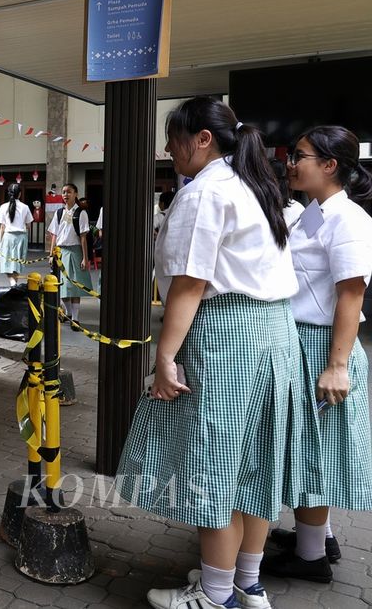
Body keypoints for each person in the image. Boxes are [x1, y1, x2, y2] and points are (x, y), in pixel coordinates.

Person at [116, 97, 299, 609]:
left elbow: (190, 284)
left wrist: (164, 356)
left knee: (214, 460)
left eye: (174, 136)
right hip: (275, 332)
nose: (168, 148)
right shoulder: (260, 187)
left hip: (227, 335)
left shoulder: (205, 193)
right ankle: (247, 584)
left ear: (203, 139)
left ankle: (215, 595)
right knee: (256, 462)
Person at [262, 126, 372, 583]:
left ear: (330, 166)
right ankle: (317, 537)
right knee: (309, 447)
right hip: (304, 342)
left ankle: (310, 560)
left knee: (314, 450)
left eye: (299, 156)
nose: (290, 163)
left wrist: (337, 366)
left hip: (324, 348)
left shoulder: (349, 219)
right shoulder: (314, 212)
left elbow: (352, 295)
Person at [46, 183, 92, 322]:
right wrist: (51, 254)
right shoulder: (59, 213)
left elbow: (83, 237)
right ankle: (68, 313)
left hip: (75, 251)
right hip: (61, 252)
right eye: (64, 192)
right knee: (64, 286)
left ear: (76, 194)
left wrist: (85, 258)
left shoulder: (81, 213)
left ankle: (75, 319)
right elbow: (54, 234)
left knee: (75, 285)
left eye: (69, 192)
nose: (66, 195)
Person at [0, 183, 32, 287]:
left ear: (9, 194)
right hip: (21, 238)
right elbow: (28, 225)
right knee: (17, 263)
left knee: (8, 263)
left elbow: (2, 227)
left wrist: (0, 242)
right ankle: (14, 284)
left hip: (8, 237)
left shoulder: (3, 207)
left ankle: (13, 284)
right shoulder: (25, 207)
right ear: (20, 194)